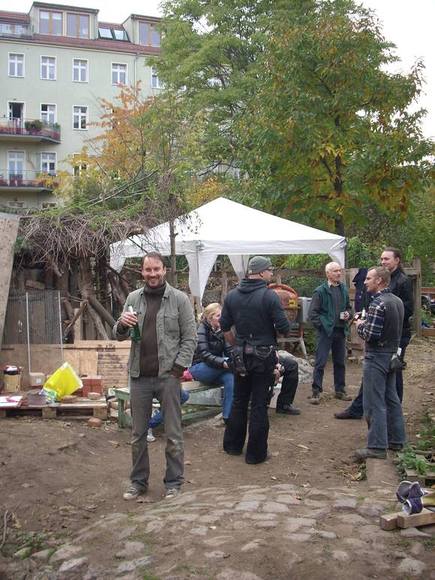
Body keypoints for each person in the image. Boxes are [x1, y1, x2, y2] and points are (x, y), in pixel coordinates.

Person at [113, 252, 197, 500]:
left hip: (168, 377)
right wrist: (122, 324)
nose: (152, 274)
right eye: (148, 270)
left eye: (156, 269)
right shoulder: (133, 298)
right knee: (138, 435)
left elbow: (190, 338)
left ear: (164, 270)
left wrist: (177, 369)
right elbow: (118, 334)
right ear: (142, 271)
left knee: (173, 434)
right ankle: (138, 482)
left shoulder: (179, 299)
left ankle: (174, 483)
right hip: (139, 376)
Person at [220, 256, 290, 464]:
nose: (271, 273)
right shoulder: (269, 296)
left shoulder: (232, 296)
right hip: (263, 356)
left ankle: (232, 446)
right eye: (269, 270)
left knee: (239, 400)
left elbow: (224, 327)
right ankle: (255, 455)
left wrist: (236, 345)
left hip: (240, 355)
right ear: (260, 272)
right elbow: (284, 328)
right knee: (259, 404)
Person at [335, 247, 413, 420]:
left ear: (397, 260)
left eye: (387, 259)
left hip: (396, 336)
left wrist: (381, 320)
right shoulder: (380, 279)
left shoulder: (402, 281)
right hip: (379, 335)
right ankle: (358, 409)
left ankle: (393, 413)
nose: (383, 261)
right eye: (382, 259)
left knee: (394, 372)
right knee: (372, 374)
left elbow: (407, 309)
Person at [353, 266, 406, 459]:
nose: (365, 282)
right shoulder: (397, 301)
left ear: (379, 281)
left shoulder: (378, 304)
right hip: (392, 355)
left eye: (368, 278)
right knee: (392, 399)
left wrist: (360, 325)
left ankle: (376, 446)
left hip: (377, 357)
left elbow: (371, 335)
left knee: (374, 402)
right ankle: (397, 440)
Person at [308, 262, 352, 404]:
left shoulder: (343, 289)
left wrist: (348, 314)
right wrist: (323, 326)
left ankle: (340, 390)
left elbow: (349, 308)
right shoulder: (320, 291)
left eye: (339, 270)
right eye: (335, 271)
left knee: (340, 362)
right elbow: (312, 314)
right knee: (320, 362)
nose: (338, 273)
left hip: (340, 330)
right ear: (327, 273)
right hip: (325, 332)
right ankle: (316, 392)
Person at [188, 303, 234, 423]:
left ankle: (228, 417)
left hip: (217, 368)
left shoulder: (222, 330)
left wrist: (235, 359)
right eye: (218, 316)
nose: (222, 318)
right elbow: (204, 355)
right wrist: (224, 363)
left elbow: (229, 350)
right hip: (199, 368)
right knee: (230, 366)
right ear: (210, 318)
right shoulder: (201, 330)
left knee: (231, 378)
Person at [274, 350, 301, 415]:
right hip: (255, 358)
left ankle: (284, 404)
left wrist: (276, 361)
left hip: (268, 354)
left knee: (291, 365)